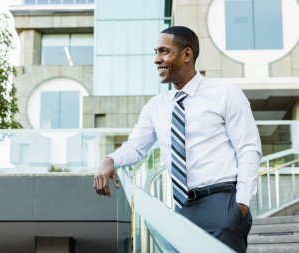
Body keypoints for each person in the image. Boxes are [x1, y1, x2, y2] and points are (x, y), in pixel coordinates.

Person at [93, 26, 262, 253]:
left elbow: (249, 149)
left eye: (164, 51)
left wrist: (240, 204)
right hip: (183, 210)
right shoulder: (156, 106)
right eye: (155, 52)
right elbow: (136, 147)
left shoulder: (225, 93)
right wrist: (110, 160)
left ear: (187, 54)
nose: (156, 60)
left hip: (222, 203)